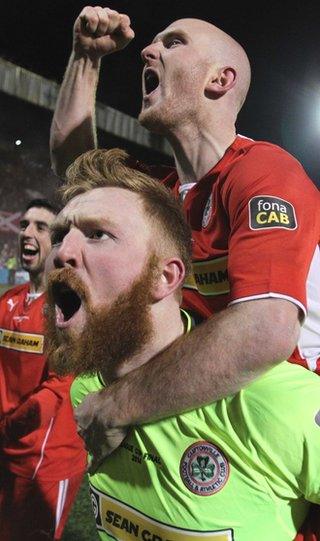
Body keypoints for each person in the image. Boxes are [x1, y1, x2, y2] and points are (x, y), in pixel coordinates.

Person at [45, 148, 320, 541]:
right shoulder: (88, 392)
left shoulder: (273, 405)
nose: (62, 253)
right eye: (60, 235)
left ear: (165, 277)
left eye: (97, 234)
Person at [0, 199, 87, 541]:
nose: (27, 233)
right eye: (23, 225)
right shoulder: (9, 300)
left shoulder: (69, 307)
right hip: (6, 451)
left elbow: (56, 390)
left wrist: (7, 427)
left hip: (46, 462)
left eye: (40, 227)